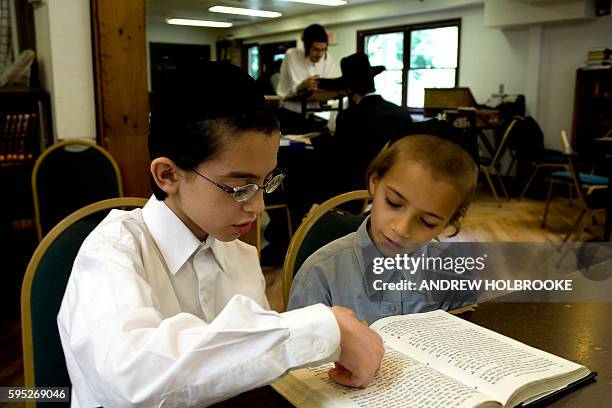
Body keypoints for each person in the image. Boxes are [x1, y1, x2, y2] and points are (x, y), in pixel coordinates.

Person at [57, 62, 383, 407]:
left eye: (266, 182)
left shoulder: (237, 254)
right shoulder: (113, 251)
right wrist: (317, 329)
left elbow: (236, 371)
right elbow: (129, 377)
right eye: (240, 188)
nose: (258, 207)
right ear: (168, 174)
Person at [288, 119, 480, 324]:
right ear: (374, 181)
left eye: (427, 222)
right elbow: (300, 351)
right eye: (394, 203)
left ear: (449, 223)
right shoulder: (320, 274)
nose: (402, 229)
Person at [332, 52, 414, 192]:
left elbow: (340, 159)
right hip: (397, 187)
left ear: (349, 90)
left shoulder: (348, 117)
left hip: (357, 192)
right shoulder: (401, 113)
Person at [276, 24, 338, 116]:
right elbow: (293, 90)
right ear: (306, 46)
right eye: (316, 50)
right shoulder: (292, 55)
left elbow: (330, 86)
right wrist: (303, 85)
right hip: (291, 112)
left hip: (314, 112)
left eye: (323, 50)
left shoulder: (327, 58)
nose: (320, 54)